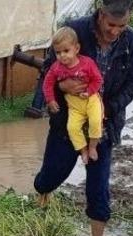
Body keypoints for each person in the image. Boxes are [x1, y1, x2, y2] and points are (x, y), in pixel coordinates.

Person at [34, 0, 133, 236]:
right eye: (110, 24)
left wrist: (110, 108)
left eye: (122, 25)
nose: (115, 31)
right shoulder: (74, 31)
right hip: (67, 122)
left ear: (130, 19)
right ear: (101, 13)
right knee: (51, 176)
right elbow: (47, 72)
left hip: (103, 125)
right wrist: (62, 86)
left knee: (98, 189)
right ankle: (40, 203)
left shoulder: (132, 42)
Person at [42, 26, 104, 164]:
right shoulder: (56, 68)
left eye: (66, 51)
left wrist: (89, 91)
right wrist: (50, 100)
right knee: (72, 128)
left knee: (95, 121)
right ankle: (83, 151)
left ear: (76, 49)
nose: (62, 55)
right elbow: (47, 84)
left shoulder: (87, 63)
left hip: (91, 100)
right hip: (74, 106)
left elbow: (98, 79)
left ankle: (93, 147)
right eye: (58, 52)